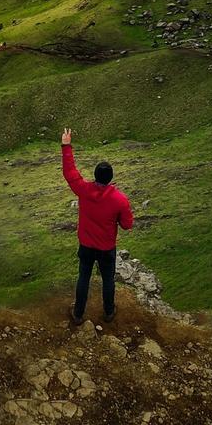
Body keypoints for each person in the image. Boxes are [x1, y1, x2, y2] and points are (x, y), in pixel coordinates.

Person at [61, 128, 133, 325]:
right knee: (108, 279)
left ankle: (78, 314)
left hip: (86, 245)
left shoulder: (84, 190)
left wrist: (66, 146)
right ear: (110, 178)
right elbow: (127, 225)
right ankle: (109, 312)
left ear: (94, 176)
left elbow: (70, 173)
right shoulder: (120, 200)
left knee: (83, 277)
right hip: (106, 248)